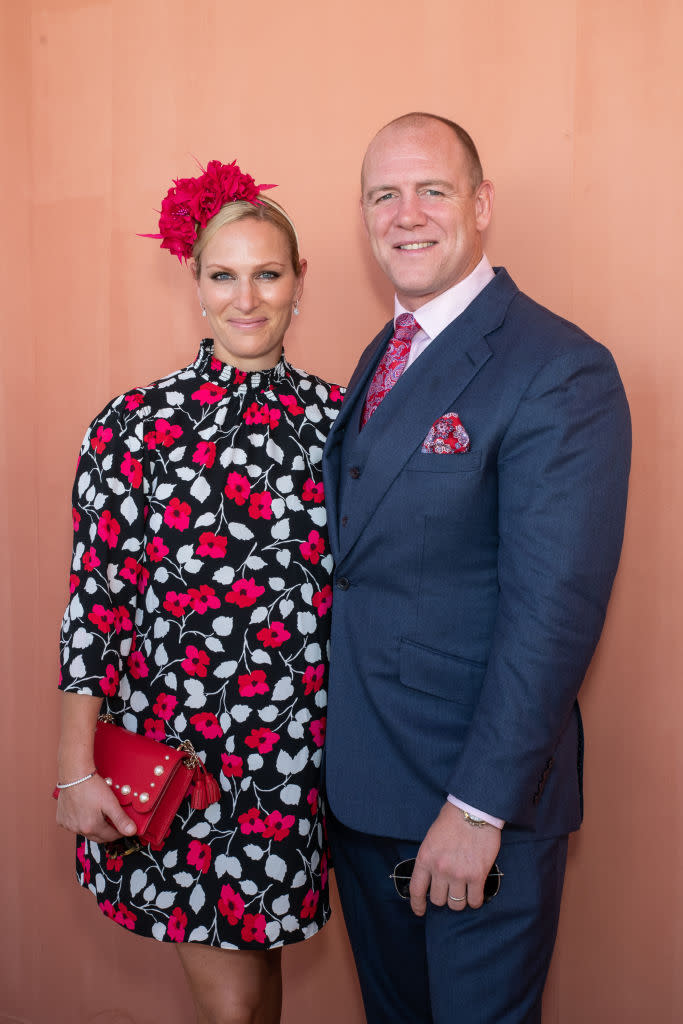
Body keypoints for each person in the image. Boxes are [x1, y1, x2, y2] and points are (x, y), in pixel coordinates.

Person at [322, 112, 631, 1023]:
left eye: (432, 190)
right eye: (383, 194)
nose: (405, 214)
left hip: (467, 810)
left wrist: (477, 809)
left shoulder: (558, 368)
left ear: (481, 204)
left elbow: (554, 611)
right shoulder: (384, 354)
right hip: (365, 796)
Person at [56, 158, 343, 1024]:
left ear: (300, 283)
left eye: (267, 274)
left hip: (305, 763)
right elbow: (94, 603)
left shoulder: (344, 423)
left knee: (257, 986)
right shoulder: (133, 426)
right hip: (186, 764)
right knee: (230, 1006)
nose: (245, 299)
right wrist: (73, 767)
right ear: (197, 285)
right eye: (224, 275)